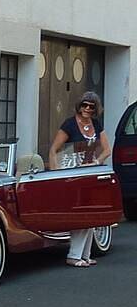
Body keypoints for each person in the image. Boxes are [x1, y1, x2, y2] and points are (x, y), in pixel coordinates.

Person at [47, 91, 112, 267]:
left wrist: (97, 162)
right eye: (84, 105)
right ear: (79, 105)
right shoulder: (69, 124)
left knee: (91, 214)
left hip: (90, 174)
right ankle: (74, 255)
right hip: (72, 174)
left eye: (91, 106)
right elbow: (54, 149)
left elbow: (107, 149)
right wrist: (56, 174)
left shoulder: (96, 125)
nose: (87, 109)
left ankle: (85, 255)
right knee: (81, 214)